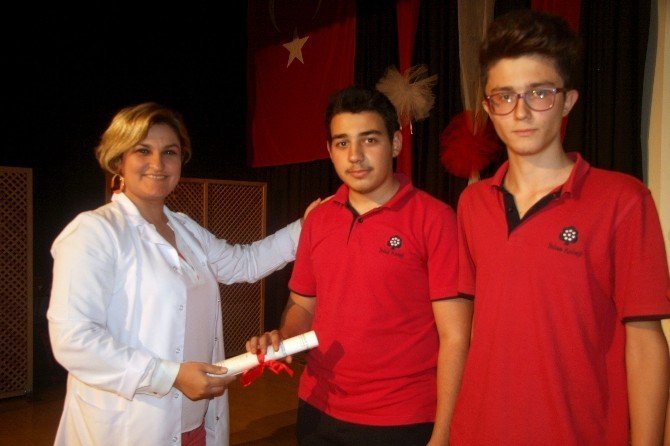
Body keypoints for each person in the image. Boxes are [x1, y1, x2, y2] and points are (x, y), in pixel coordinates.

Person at [450, 9, 670, 445]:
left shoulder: (624, 201)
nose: (521, 112)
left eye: (540, 93)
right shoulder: (472, 204)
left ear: (568, 100)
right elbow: (475, 330)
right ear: (489, 108)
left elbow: (646, 343)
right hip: (479, 431)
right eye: (504, 96)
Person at [47, 102, 321, 446]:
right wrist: (170, 376)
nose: (158, 164)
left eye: (170, 152)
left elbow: (245, 262)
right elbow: (73, 340)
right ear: (119, 160)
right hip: (129, 426)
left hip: (195, 423)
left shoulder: (184, 229)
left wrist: (306, 226)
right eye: (143, 150)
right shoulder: (94, 232)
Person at [246, 85, 473, 445]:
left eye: (369, 140)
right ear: (329, 151)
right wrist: (284, 339)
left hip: (403, 418)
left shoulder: (435, 219)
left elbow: (456, 335)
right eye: (342, 143)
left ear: (395, 143)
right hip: (318, 408)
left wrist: (444, 432)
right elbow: (302, 304)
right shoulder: (318, 220)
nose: (355, 156)